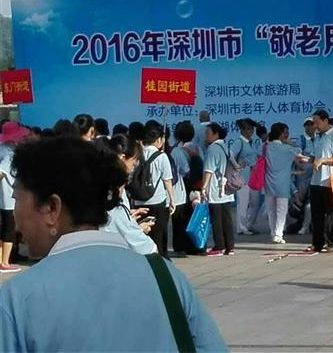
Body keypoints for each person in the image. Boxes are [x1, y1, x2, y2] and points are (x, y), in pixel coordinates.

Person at [0, 137, 226, 351]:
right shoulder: (165, 277)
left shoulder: (19, 297)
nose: (15, 219)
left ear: (52, 208)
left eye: (17, 199)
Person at [100, 134, 157, 255]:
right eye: (134, 161)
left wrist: (129, 218)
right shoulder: (114, 201)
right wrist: (137, 229)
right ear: (122, 158)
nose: (133, 168)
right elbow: (145, 246)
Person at [132, 120, 176, 258]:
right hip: (157, 201)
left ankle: (145, 260)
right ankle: (161, 259)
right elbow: (167, 180)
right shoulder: (162, 156)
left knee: (142, 234)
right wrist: (172, 200)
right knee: (159, 234)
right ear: (158, 140)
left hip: (139, 201)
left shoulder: (138, 153)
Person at [309, 109, 333, 253]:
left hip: (330, 181)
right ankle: (317, 243)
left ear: (325, 121)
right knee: (316, 214)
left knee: (332, 214)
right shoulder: (318, 137)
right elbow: (315, 158)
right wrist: (305, 159)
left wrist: (323, 160)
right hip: (315, 181)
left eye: (317, 122)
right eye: (313, 122)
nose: (315, 125)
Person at [0, 122, 31, 273]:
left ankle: (2, 259)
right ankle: (5, 263)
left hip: (2, 198)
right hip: (9, 198)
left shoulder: (1, 149)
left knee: (3, 229)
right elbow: (2, 171)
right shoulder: (11, 153)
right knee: (9, 230)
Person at [265, 123, 303, 244]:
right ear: (281, 134)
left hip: (268, 183)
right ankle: (278, 234)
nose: (287, 135)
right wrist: (289, 143)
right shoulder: (287, 149)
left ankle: (273, 233)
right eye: (286, 133)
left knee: (271, 210)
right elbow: (299, 151)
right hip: (283, 183)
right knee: (281, 210)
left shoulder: (265, 147)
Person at [202, 123, 235, 256]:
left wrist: (203, 187)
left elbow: (209, 170)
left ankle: (219, 246)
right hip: (227, 188)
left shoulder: (213, 149)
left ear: (216, 134)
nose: (206, 136)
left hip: (216, 188)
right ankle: (230, 247)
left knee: (216, 219)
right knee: (227, 219)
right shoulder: (226, 147)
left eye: (208, 133)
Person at [170, 121, 198, 257]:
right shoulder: (197, 148)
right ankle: (193, 245)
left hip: (182, 186)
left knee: (179, 220)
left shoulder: (177, 151)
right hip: (196, 185)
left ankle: (180, 247)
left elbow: (185, 170)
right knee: (191, 217)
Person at [232, 118, 260, 236]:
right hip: (243, 176)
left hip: (254, 176)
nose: (250, 131)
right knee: (243, 203)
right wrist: (237, 166)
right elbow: (231, 155)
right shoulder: (239, 142)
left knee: (255, 202)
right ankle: (241, 227)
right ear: (242, 130)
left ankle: (249, 224)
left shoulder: (252, 142)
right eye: (248, 129)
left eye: (252, 129)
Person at [293, 118, 316, 235]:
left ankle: (306, 226)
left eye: (311, 124)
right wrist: (302, 164)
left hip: (316, 177)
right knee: (299, 203)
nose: (309, 127)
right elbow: (297, 156)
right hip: (302, 177)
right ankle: (296, 224)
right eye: (307, 125)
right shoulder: (301, 140)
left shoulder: (319, 139)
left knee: (311, 203)